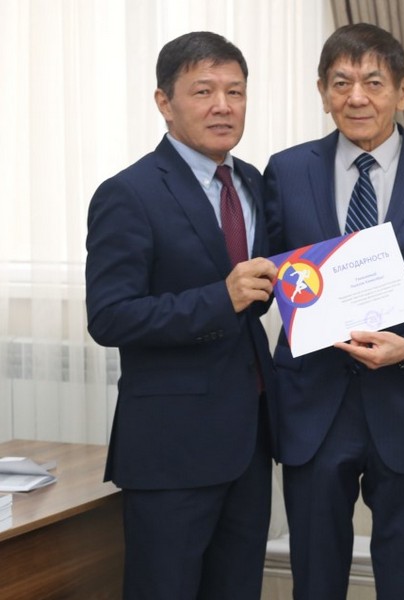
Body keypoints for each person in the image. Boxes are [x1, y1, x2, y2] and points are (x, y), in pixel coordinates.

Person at [264, 23, 404, 600]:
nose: (356, 97)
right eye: (341, 83)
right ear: (322, 92)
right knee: (314, 579)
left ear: (403, 91)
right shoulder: (286, 171)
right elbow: (270, 276)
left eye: (373, 82)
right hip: (314, 404)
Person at [85, 31, 278, 600]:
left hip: (249, 440)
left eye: (235, 92)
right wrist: (221, 298)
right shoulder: (129, 193)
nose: (223, 106)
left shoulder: (251, 182)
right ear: (164, 103)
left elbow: (262, 290)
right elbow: (110, 317)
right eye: (203, 91)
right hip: (171, 451)